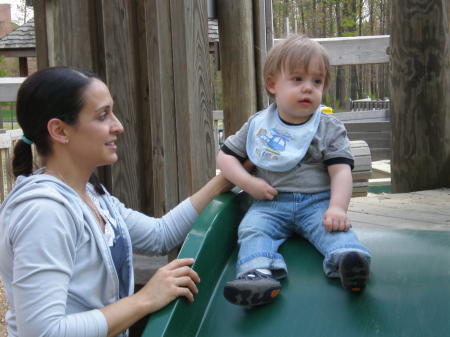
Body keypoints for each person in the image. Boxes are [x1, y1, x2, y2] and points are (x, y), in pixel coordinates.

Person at [0, 66, 234, 337]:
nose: (118, 126)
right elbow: (45, 332)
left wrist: (227, 177)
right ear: (60, 130)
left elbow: (160, 234)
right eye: (102, 116)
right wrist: (144, 299)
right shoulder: (45, 213)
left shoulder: (91, 196)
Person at [217, 34, 371, 307]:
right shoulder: (259, 124)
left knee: (334, 231)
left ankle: (350, 262)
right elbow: (225, 157)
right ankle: (257, 275)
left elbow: (340, 172)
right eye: (298, 79)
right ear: (272, 84)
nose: (308, 88)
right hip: (270, 204)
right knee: (252, 229)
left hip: (317, 203)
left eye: (317, 81)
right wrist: (248, 183)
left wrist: (337, 208)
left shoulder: (328, 127)